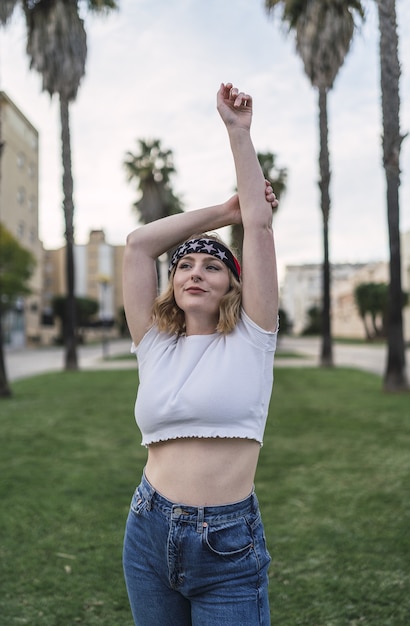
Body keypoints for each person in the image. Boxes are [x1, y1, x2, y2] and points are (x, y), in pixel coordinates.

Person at [122, 82, 279, 626]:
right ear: (173, 282)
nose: (195, 271)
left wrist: (238, 133)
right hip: (147, 529)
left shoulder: (253, 337)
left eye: (212, 266)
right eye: (185, 265)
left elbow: (257, 225)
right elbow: (140, 243)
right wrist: (220, 211)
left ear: (233, 284)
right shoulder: (154, 342)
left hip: (228, 544)